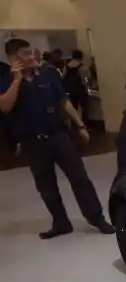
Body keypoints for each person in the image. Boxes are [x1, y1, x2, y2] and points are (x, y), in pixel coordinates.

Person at [0, 38, 113, 239]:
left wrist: (80, 125)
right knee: (46, 185)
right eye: (25, 54)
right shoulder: (5, 80)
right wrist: (17, 80)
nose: (31, 57)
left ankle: (96, 218)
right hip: (32, 142)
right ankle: (61, 222)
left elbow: (64, 102)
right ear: (13, 58)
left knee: (80, 178)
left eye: (31, 52)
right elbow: (5, 106)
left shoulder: (48, 74)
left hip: (59, 136)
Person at [63, 49, 90, 123]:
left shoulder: (67, 66)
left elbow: (63, 77)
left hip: (70, 90)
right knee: (84, 108)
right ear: (81, 57)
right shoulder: (82, 66)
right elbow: (87, 77)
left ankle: (74, 123)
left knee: (73, 108)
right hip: (80, 90)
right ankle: (84, 123)